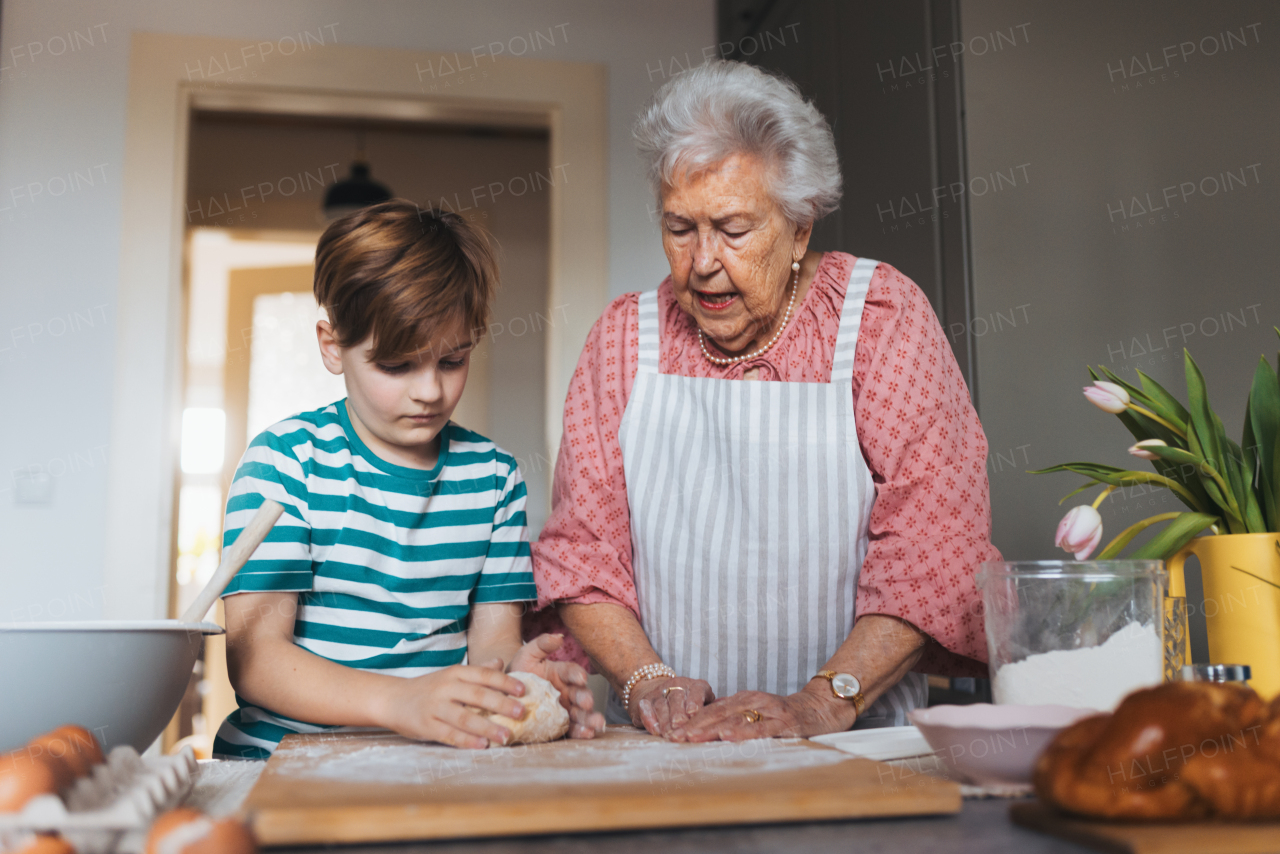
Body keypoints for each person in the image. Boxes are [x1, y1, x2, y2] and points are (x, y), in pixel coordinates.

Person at [531, 60, 1002, 741]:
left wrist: (822, 702)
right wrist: (646, 682)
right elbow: (583, 555)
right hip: (660, 747)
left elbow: (934, 550)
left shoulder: (878, 320)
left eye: (733, 228)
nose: (702, 262)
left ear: (800, 226)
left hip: (853, 743)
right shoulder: (622, 340)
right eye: (680, 227)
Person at [213, 200, 604, 759]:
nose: (429, 391)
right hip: (280, 763)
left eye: (452, 361)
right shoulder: (285, 464)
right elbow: (256, 662)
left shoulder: (494, 479)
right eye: (397, 366)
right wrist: (400, 701)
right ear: (332, 346)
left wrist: (519, 683)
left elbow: (493, 641)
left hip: (429, 765)